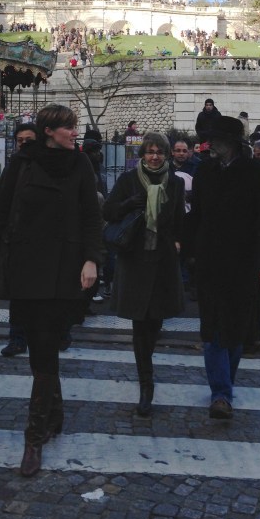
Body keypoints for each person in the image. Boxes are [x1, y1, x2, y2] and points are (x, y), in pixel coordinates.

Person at [0, 104, 102, 477]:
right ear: (50, 130)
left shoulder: (80, 164)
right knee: (38, 345)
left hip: (64, 269)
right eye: (68, 128)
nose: (74, 133)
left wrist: (92, 260)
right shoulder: (23, 163)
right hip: (26, 267)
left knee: (45, 348)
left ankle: (33, 437)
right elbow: (0, 212)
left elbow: (91, 218)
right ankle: (56, 413)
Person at [191, 116, 260, 420]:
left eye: (215, 140)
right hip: (210, 260)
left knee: (237, 330)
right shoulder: (204, 171)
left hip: (244, 261)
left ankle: (224, 383)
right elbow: (198, 215)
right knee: (214, 328)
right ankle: (221, 393)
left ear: (229, 144)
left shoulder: (256, 173)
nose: (210, 144)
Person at [103, 132, 185, 417]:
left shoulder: (174, 183)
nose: (154, 156)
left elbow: (178, 221)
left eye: (159, 152)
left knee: (155, 322)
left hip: (162, 260)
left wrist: (177, 241)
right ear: (142, 155)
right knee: (140, 323)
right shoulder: (128, 181)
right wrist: (129, 204)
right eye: (150, 152)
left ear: (166, 155)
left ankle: (146, 365)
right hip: (135, 259)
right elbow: (109, 210)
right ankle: (146, 383)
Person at [0, 123, 39, 358]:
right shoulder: (13, 166)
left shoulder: (48, 164)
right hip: (17, 238)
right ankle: (17, 338)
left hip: (44, 240)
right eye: (20, 140)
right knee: (18, 294)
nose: (23, 143)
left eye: (29, 139)